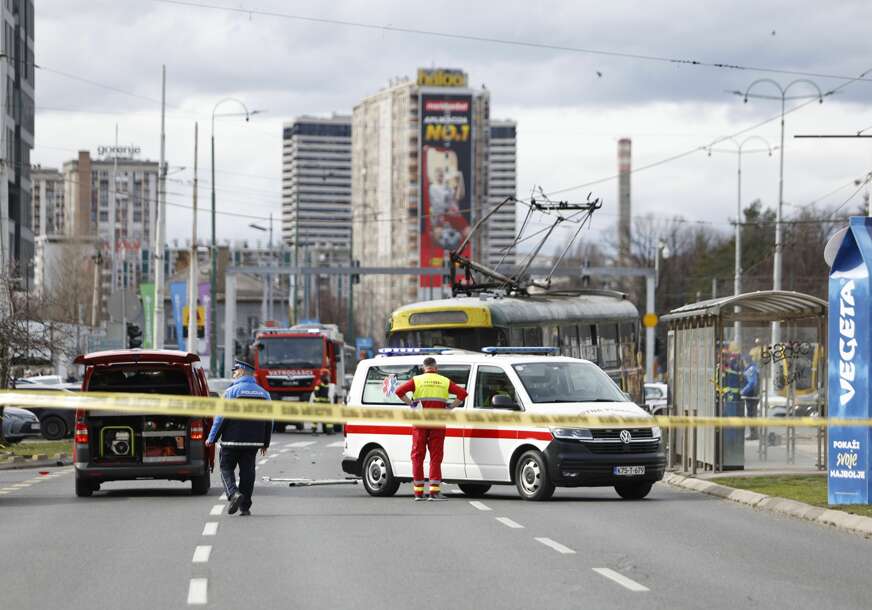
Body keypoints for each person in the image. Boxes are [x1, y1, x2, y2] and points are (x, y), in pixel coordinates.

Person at [394, 356, 468, 501]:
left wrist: (411, 404)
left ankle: (418, 492)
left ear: (423, 368)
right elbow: (463, 394)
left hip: (420, 422)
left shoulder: (417, 380)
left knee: (417, 456)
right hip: (437, 422)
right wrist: (450, 407)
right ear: (436, 368)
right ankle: (434, 492)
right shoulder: (444, 381)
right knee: (435, 456)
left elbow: (399, 391)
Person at [206, 360, 272, 516]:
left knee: (225, 468)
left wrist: (212, 438)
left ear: (242, 371)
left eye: (235, 371)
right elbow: (270, 419)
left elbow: (221, 418)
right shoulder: (264, 393)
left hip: (231, 441)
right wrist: (265, 442)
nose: (234, 374)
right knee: (248, 473)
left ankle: (233, 494)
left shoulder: (231, 392)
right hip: (253, 442)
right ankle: (245, 507)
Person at [310, 368, 336, 435]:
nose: (328, 377)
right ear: (324, 375)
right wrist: (321, 399)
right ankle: (313, 431)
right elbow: (316, 392)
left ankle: (329, 431)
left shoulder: (325, 382)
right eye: (327, 376)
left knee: (328, 417)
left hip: (325, 403)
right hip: (319, 403)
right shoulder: (319, 382)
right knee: (316, 418)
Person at [742, 352, 760, 441]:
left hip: (751, 396)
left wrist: (742, 392)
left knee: (751, 415)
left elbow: (751, 383)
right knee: (753, 414)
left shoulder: (750, 369)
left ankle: (754, 434)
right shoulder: (754, 367)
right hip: (754, 395)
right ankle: (754, 433)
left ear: (745, 361)